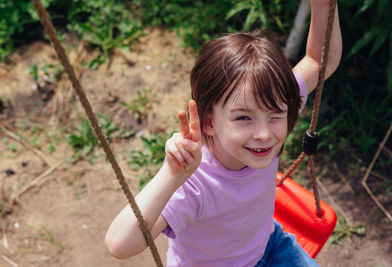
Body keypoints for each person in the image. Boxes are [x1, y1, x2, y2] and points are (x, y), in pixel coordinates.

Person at [105, 0, 342, 266]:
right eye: (243, 118)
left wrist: (323, 5)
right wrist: (170, 176)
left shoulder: (275, 101)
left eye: (275, 115)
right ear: (209, 123)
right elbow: (119, 243)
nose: (264, 133)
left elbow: (319, 62)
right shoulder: (194, 182)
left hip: (269, 246)